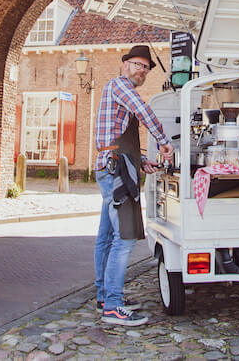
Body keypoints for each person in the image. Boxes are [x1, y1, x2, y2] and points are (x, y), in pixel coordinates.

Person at [93, 44, 174, 327]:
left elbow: (114, 139)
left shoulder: (117, 91)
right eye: (137, 64)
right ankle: (113, 306)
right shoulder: (121, 85)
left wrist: (141, 161)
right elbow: (144, 111)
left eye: (146, 67)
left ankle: (105, 296)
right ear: (125, 64)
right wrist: (165, 143)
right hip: (115, 172)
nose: (141, 70)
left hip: (113, 164)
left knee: (105, 238)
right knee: (124, 238)